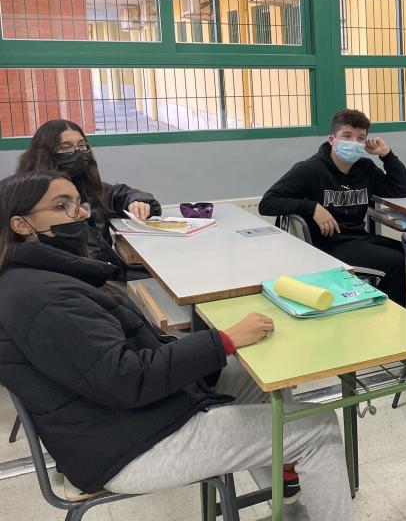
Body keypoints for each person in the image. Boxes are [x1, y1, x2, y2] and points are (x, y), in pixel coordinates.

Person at [0, 171, 353, 521]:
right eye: (62, 207)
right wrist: (223, 340)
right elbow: (126, 378)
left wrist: (215, 348)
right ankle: (295, 477)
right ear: (21, 224)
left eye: (78, 203)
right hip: (128, 445)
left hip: (125, 419)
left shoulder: (38, 277)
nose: (81, 214)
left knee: (258, 369)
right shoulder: (44, 297)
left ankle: (284, 500)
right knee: (318, 428)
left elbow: (116, 362)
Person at [259, 109, 406, 306]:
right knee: (395, 262)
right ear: (332, 139)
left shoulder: (365, 168)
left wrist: (387, 155)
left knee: (405, 250)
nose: (353, 142)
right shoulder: (310, 169)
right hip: (326, 246)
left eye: (360, 138)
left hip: (357, 238)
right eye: (347, 136)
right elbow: (268, 203)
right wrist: (312, 207)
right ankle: (392, 317)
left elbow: (402, 189)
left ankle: (378, 307)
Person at [17, 119, 162, 280]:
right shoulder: (29, 198)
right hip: (80, 280)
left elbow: (118, 193)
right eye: (66, 147)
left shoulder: (85, 185)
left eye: (82, 145)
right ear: (45, 153)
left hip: (108, 270)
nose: (78, 152)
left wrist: (137, 201)